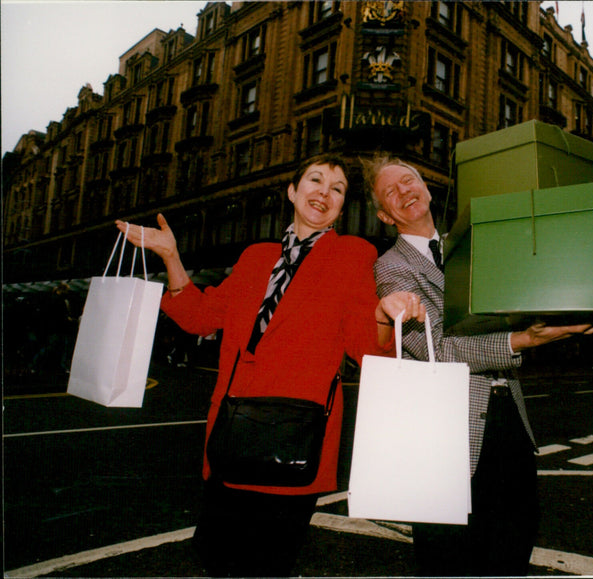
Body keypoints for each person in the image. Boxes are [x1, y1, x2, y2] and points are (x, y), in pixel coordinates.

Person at [117, 153, 424, 577]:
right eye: (315, 181)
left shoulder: (353, 254)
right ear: (292, 192)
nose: (324, 193)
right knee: (216, 559)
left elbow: (365, 349)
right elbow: (200, 317)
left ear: (341, 206)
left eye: (337, 189)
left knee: (267, 564)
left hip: (294, 436)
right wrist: (170, 255)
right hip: (232, 431)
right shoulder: (255, 256)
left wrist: (383, 314)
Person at [365, 155, 593, 576]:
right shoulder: (391, 267)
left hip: (509, 416)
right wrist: (526, 340)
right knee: (448, 559)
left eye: (408, 180)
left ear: (427, 187)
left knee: (514, 545)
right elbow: (436, 348)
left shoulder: (475, 246)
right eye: (390, 192)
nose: (404, 191)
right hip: (444, 430)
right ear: (385, 215)